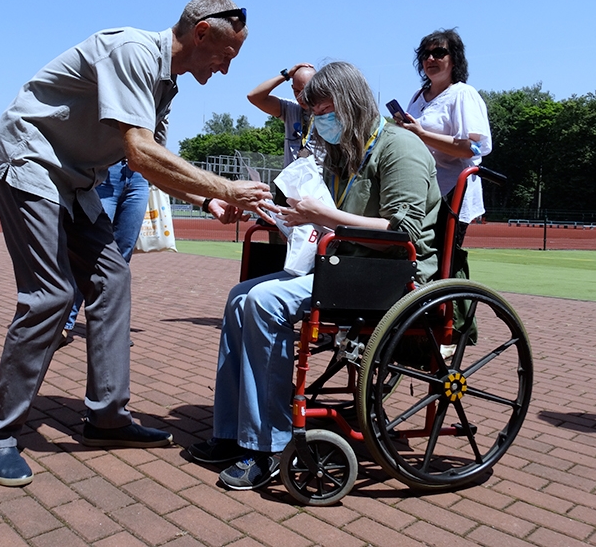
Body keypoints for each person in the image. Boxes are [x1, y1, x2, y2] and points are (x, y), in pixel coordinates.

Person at [0, 0, 272, 488]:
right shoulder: (131, 50)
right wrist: (223, 186)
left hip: (74, 178)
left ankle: (106, 418)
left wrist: (206, 202)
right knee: (51, 295)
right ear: (201, 32)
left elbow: (151, 157)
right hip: (29, 161)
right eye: (226, 55)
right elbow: (137, 152)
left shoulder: (165, 85)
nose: (225, 69)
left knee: (111, 279)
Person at [188, 62, 442, 490]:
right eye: (313, 114)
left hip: (390, 275)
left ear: (350, 105)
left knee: (265, 302)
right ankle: (233, 433)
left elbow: (405, 233)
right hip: (346, 266)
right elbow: (313, 218)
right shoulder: (343, 155)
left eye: (325, 111)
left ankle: (269, 446)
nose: (319, 122)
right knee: (239, 297)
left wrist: (326, 216)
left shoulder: (401, 148)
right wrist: (266, 209)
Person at [392, 28, 492, 245]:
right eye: (425, 55)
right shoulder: (418, 96)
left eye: (439, 53)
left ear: (454, 60)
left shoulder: (463, 94)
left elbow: (471, 148)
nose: (430, 59)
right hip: (419, 192)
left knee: (441, 261)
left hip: (450, 195)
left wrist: (421, 134)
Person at [62, 159, 154, 342]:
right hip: (105, 172)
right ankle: (64, 323)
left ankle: (112, 328)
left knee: (121, 261)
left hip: (139, 177)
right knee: (88, 255)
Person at [247, 63, 325, 168]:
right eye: (296, 91)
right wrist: (286, 75)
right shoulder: (290, 109)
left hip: (318, 182)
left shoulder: (328, 114)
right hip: (291, 181)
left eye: (306, 90)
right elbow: (254, 97)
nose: (301, 96)